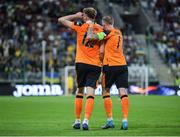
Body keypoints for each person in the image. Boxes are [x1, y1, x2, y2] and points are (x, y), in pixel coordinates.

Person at [58, 7, 103, 130]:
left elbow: (61, 20)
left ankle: (77, 120)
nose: (82, 17)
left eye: (83, 15)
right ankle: (86, 121)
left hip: (81, 63)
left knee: (79, 91)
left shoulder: (80, 26)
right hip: (95, 64)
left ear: (86, 16)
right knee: (90, 94)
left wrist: (75, 15)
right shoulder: (101, 29)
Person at [87, 16, 129, 130]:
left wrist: (91, 26)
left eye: (103, 24)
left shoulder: (106, 33)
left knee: (105, 91)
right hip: (123, 65)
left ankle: (110, 120)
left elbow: (91, 37)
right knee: (123, 92)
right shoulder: (119, 32)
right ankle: (125, 120)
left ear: (104, 24)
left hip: (110, 66)